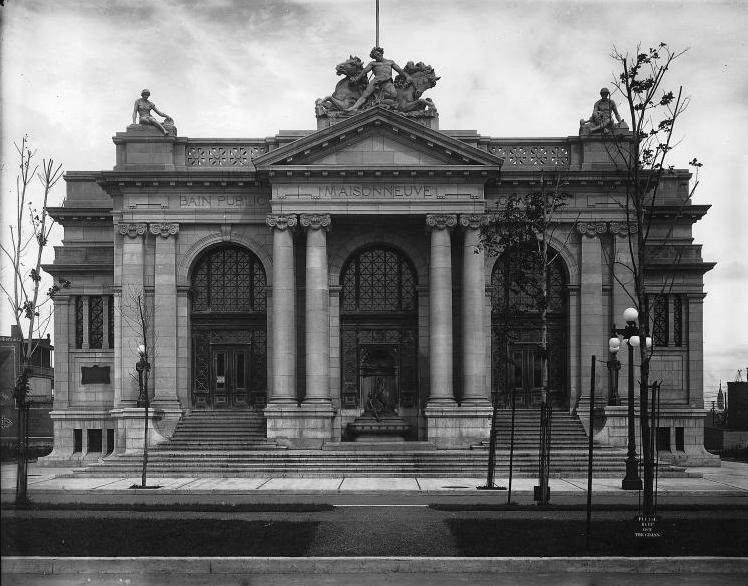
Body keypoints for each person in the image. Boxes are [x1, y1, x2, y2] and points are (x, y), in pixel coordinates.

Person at [346, 47, 412, 111]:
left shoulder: (390, 62)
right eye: (375, 56)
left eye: (378, 54)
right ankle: (354, 107)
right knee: (365, 95)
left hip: (387, 82)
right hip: (376, 82)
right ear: (374, 57)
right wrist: (357, 78)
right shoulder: (373, 63)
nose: (377, 56)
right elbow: (364, 71)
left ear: (381, 53)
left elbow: (400, 71)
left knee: (394, 94)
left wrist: (407, 76)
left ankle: (380, 103)